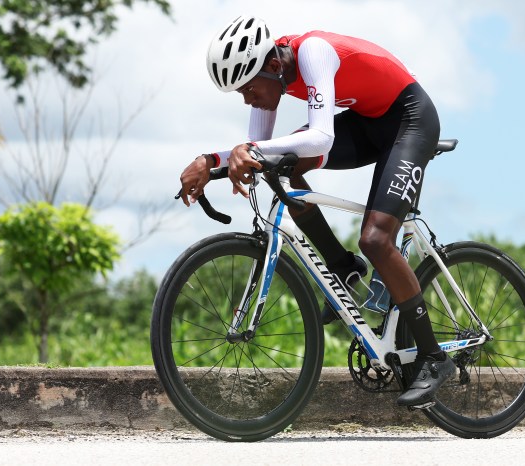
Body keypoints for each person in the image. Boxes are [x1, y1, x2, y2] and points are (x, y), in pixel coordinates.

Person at [179, 15, 455, 408]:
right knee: (283, 165)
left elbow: (321, 136)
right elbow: (258, 147)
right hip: (368, 122)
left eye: (248, 89)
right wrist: (209, 162)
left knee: (376, 239)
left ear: (273, 67)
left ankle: (433, 356)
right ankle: (342, 265)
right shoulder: (272, 75)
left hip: (411, 120)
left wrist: (244, 153)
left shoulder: (313, 52)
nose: (246, 100)